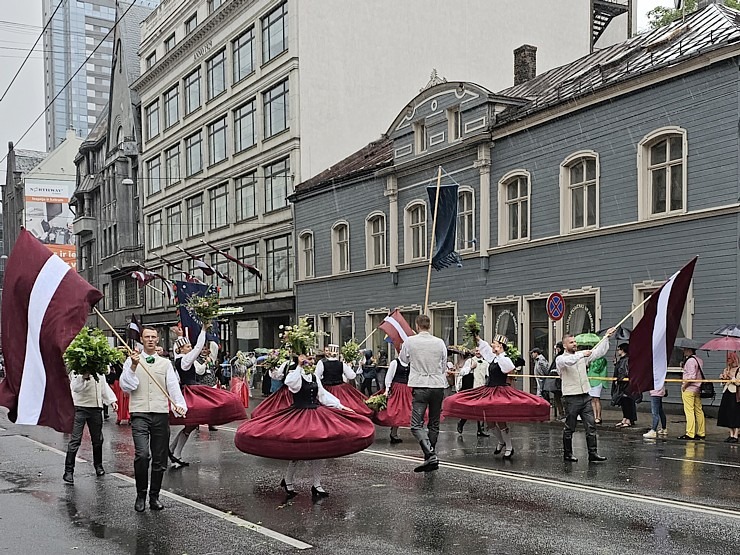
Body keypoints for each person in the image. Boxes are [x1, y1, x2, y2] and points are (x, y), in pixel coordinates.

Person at [235, 354, 375, 499]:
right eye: (308, 360)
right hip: (299, 415)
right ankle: (288, 480)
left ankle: (317, 484)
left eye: (312, 360)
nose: (311, 362)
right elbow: (289, 383)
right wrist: (299, 366)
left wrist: (341, 406)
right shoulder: (295, 375)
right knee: (298, 451)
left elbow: (323, 395)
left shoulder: (314, 377)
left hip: (315, 414)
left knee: (319, 450)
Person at [443, 335, 550, 458]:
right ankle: (501, 442)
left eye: (494, 343)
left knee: (500, 420)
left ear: (500, 346)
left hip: (500, 391)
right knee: (490, 422)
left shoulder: (503, 358)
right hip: (489, 390)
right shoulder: (494, 358)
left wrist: (500, 353)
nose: (492, 345)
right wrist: (476, 337)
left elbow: (509, 368)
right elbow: (485, 349)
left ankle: (509, 446)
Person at [120, 326, 188, 512]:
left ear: (157, 340)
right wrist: (133, 366)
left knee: (159, 458)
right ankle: (141, 494)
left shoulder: (165, 364)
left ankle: (154, 496)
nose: (150, 340)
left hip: (160, 413)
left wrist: (179, 404)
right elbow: (127, 386)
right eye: (147, 337)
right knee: (142, 455)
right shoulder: (131, 361)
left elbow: (173, 386)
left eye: (153, 337)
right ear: (141, 340)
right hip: (140, 413)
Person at [168, 332, 245, 468]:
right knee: (192, 423)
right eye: (187, 346)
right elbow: (198, 348)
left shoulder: (180, 359)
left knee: (190, 425)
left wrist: (181, 336)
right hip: (192, 391)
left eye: (189, 346)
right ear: (180, 349)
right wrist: (203, 329)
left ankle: (173, 450)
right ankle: (176, 454)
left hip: (190, 390)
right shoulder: (185, 360)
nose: (190, 348)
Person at [556, 329, 615, 463]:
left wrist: (606, 338)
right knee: (570, 427)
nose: (574, 344)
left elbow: (599, 352)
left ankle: (593, 453)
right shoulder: (561, 359)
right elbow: (570, 361)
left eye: (575, 341)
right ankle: (568, 454)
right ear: (565, 345)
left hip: (585, 396)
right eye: (571, 342)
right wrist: (583, 354)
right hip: (571, 398)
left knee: (591, 426)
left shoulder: (581, 356)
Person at [398, 314, 448, 472]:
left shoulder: (410, 341)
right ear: (430, 326)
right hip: (437, 385)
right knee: (434, 423)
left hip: (420, 385)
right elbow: (444, 364)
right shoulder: (439, 342)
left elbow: (403, 361)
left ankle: (430, 454)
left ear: (417, 326)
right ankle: (430, 457)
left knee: (415, 425)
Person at [63, 371, 118, 484]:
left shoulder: (99, 371)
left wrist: (112, 401)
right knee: (75, 440)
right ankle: (68, 471)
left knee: (97, 440)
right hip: (79, 408)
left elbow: (103, 386)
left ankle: (98, 466)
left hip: (96, 408)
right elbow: (75, 387)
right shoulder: (77, 370)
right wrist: (84, 376)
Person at [314, 344, 373, 417]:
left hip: (327, 388)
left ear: (328, 352)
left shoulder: (321, 363)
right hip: (340, 388)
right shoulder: (341, 364)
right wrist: (349, 367)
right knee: (348, 404)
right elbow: (352, 376)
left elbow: (316, 377)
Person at [374, 356, 413, 443]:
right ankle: (394, 433)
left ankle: (395, 432)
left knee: (407, 411)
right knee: (397, 411)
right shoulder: (395, 363)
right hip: (397, 389)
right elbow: (389, 376)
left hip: (407, 388)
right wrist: (387, 389)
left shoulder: (411, 362)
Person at [455, 352, 488, 437]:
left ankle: (480, 429)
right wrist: (471, 367)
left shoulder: (486, 363)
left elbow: (488, 375)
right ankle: (462, 422)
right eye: (476, 350)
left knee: (481, 408)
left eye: (480, 350)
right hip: (471, 388)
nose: (478, 352)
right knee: (470, 408)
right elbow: (462, 372)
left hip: (482, 388)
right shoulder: (470, 361)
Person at [678, 345, 706, 440]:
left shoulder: (690, 361)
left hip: (689, 389)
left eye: (685, 349)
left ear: (690, 350)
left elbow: (692, 376)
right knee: (699, 410)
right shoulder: (699, 360)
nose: (684, 351)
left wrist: (684, 386)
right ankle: (701, 432)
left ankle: (690, 433)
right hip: (698, 388)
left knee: (689, 411)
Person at [611, 343, 637, 427]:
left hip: (626, 385)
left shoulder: (626, 359)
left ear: (622, 350)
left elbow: (625, 372)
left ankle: (628, 419)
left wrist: (619, 379)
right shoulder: (622, 359)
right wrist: (616, 364)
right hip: (622, 385)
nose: (618, 351)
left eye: (619, 349)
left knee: (627, 402)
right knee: (623, 402)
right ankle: (625, 418)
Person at [717, 352, 740, 443]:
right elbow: (723, 383)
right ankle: (731, 433)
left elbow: (738, 382)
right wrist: (723, 378)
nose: (728, 361)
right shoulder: (726, 369)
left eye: (730, 359)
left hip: (735, 393)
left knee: (735, 414)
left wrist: (732, 378)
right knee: (727, 413)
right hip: (727, 392)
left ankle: (736, 434)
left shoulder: (738, 370)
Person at [543, 342, 565, 421]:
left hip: (559, 381)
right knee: (558, 397)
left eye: (558, 348)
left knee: (559, 397)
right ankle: (562, 413)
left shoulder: (560, 357)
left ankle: (562, 413)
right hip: (558, 381)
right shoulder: (559, 357)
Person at [587, 353, 608, 425]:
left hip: (598, 381)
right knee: (592, 399)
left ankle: (598, 417)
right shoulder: (592, 360)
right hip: (591, 381)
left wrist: (590, 363)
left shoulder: (602, 360)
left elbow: (597, 369)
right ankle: (594, 416)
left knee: (596, 399)